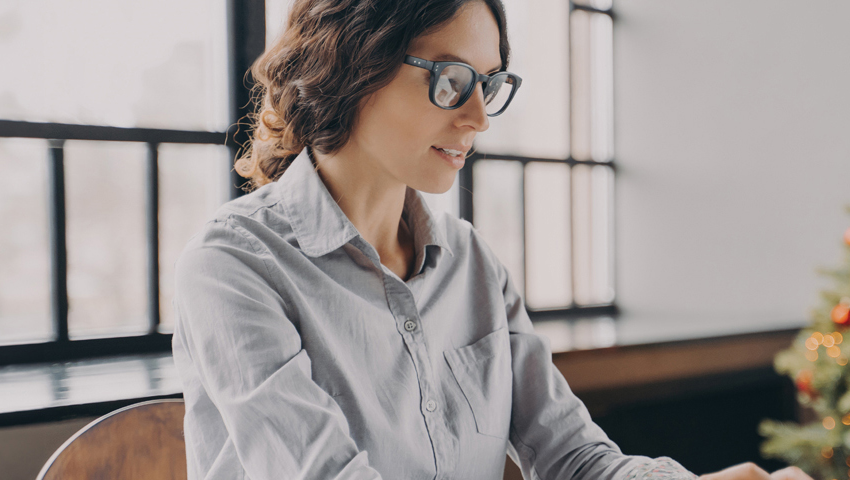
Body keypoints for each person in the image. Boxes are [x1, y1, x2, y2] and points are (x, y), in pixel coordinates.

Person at [169, 0, 812, 478]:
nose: (477, 117)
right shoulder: (232, 269)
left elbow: (572, 457)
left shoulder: (473, 264)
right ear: (353, 66)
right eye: (450, 80)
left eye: (490, 84)